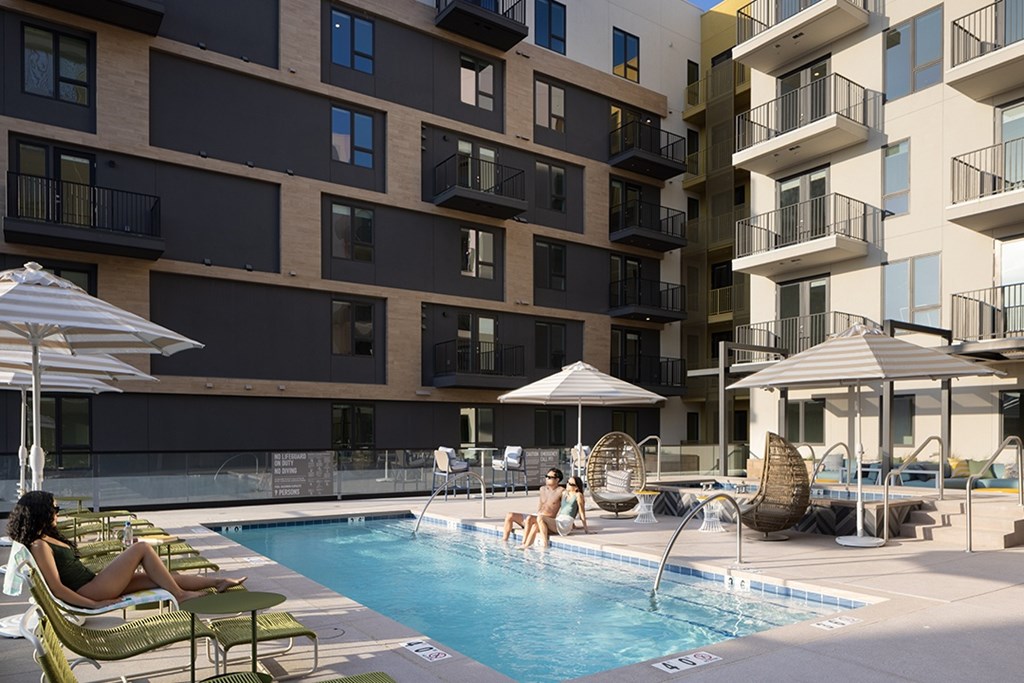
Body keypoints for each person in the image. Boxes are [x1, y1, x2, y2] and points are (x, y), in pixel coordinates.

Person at [6, 490, 246, 609]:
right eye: (54, 509)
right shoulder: (39, 545)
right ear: (41, 512)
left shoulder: (45, 537)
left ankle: (218, 582)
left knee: (163, 577)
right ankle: (181, 596)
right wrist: (94, 605)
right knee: (141, 547)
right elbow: (57, 589)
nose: (57, 513)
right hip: (92, 591)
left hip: (94, 583)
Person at [521, 474, 590, 548]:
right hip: (559, 520)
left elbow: (581, 513)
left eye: (570, 484)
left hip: (565, 524)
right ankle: (525, 546)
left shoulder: (578, 495)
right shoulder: (564, 493)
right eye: (567, 482)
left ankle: (545, 545)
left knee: (540, 518)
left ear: (576, 487)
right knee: (535, 526)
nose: (567, 484)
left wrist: (586, 529)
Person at [501, 468, 565, 544]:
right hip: (536, 516)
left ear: (557, 479)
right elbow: (540, 506)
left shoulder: (561, 491)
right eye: (546, 476)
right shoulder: (542, 489)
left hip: (545, 520)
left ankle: (523, 543)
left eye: (550, 477)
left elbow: (567, 507)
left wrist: (569, 523)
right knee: (510, 515)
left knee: (529, 518)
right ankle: (504, 542)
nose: (547, 479)